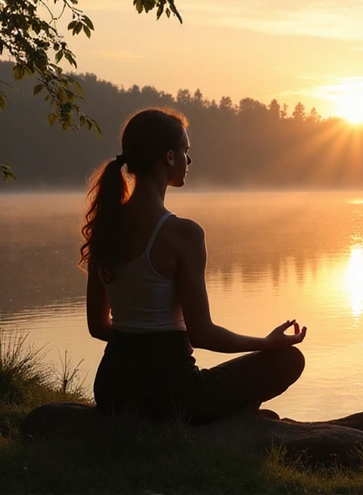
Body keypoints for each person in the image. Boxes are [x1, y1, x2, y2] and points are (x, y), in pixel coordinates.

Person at [80, 107, 306, 425]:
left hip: (111, 390)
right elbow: (202, 334)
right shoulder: (183, 234)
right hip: (174, 398)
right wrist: (266, 343)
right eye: (186, 151)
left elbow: (98, 326)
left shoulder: (106, 227)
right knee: (289, 360)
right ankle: (239, 416)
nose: (189, 160)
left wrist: (138, 342)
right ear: (169, 157)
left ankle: (238, 411)